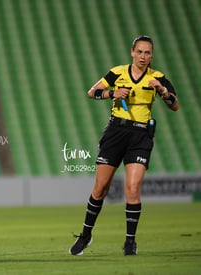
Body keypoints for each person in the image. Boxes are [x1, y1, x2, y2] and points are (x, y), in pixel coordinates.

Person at [69, 35, 179, 256]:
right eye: (139, 51)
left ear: (152, 56)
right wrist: (112, 93)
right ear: (132, 52)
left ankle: (130, 242)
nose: (143, 56)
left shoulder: (157, 78)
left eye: (147, 53)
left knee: (133, 189)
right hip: (116, 133)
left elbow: (174, 105)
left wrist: (163, 91)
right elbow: (92, 92)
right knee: (100, 189)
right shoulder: (117, 72)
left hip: (140, 136)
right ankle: (86, 235)